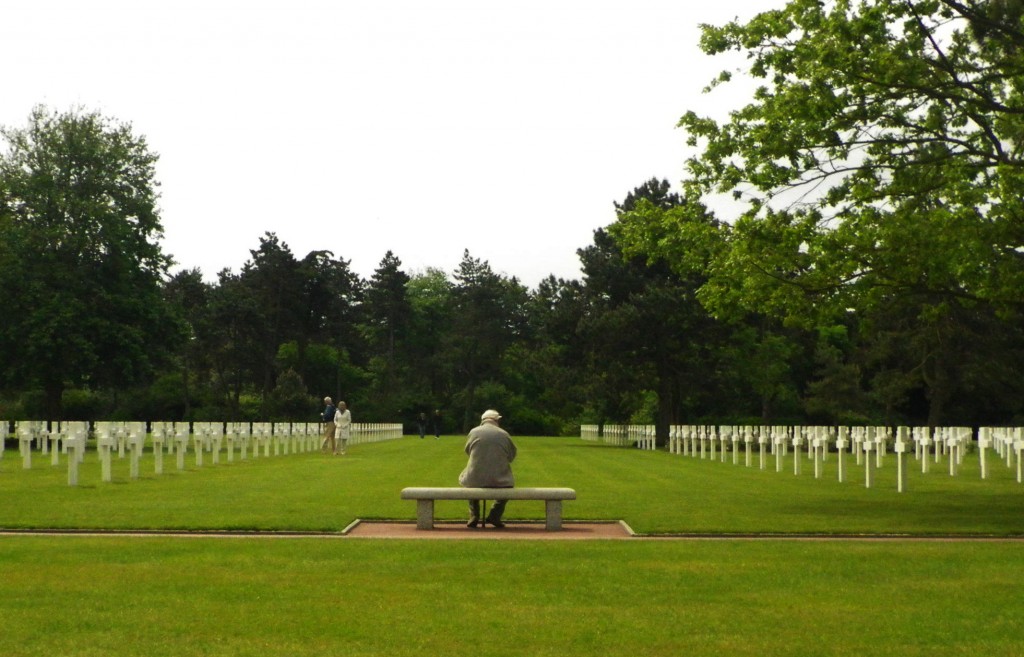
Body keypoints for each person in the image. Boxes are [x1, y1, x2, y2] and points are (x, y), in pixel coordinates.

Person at [458, 409, 516, 529]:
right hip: (500, 479)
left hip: (475, 478)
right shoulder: (504, 434)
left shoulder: (473, 432)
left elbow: (467, 451)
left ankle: (474, 515)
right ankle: (495, 514)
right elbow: (511, 455)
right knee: (508, 486)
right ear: (497, 420)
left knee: (467, 480)